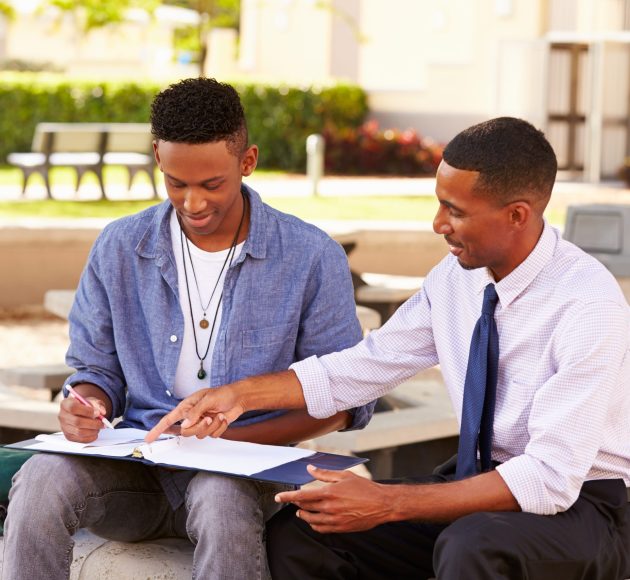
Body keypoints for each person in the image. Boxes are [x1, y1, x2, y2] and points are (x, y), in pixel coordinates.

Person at [147, 117, 630, 580]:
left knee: (472, 546)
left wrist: (387, 502)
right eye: (440, 203)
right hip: (476, 482)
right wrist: (240, 396)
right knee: (307, 530)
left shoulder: (587, 304)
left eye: (455, 211)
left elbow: (548, 480)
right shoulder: (455, 281)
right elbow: (364, 367)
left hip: (585, 507)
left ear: (518, 215)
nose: (438, 224)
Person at [1, 77, 374, 580]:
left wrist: (227, 443)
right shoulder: (119, 246)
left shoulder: (311, 256)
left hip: (245, 473)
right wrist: (87, 404)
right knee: (41, 477)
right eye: (176, 183)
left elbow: (344, 399)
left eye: (211, 184)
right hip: (136, 471)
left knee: (220, 496)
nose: (193, 203)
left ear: (248, 161)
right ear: (157, 156)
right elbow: (95, 370)